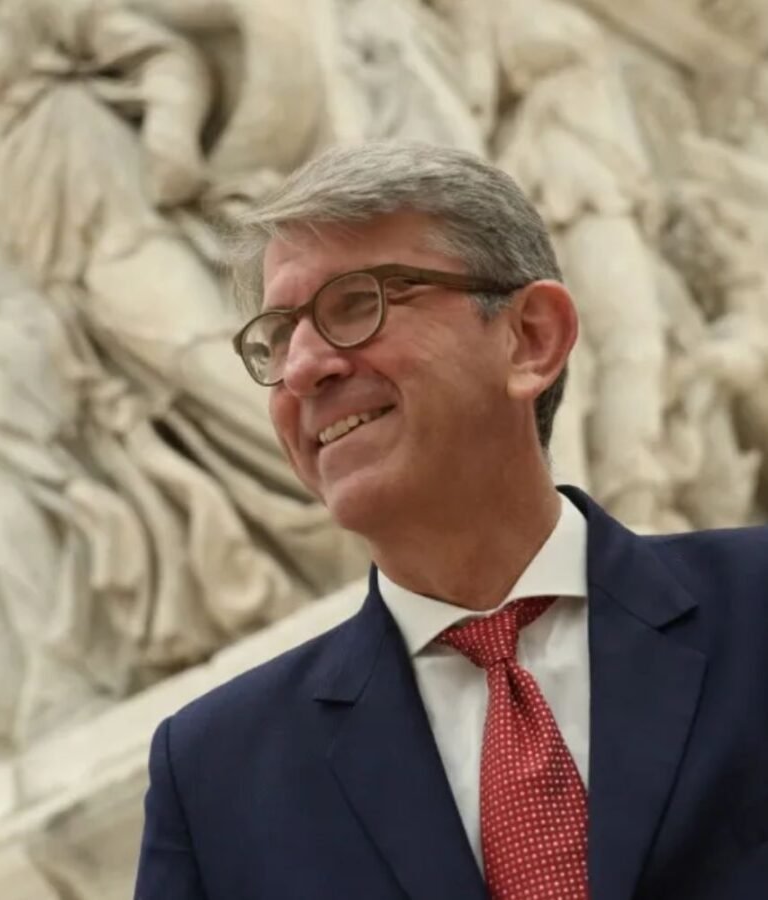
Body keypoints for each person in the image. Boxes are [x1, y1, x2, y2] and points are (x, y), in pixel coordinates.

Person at [133, 143, 768, 900]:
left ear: (530, 338)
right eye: (276, 340)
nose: (301, 369)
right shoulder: (214, 780)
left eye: (355, 304)